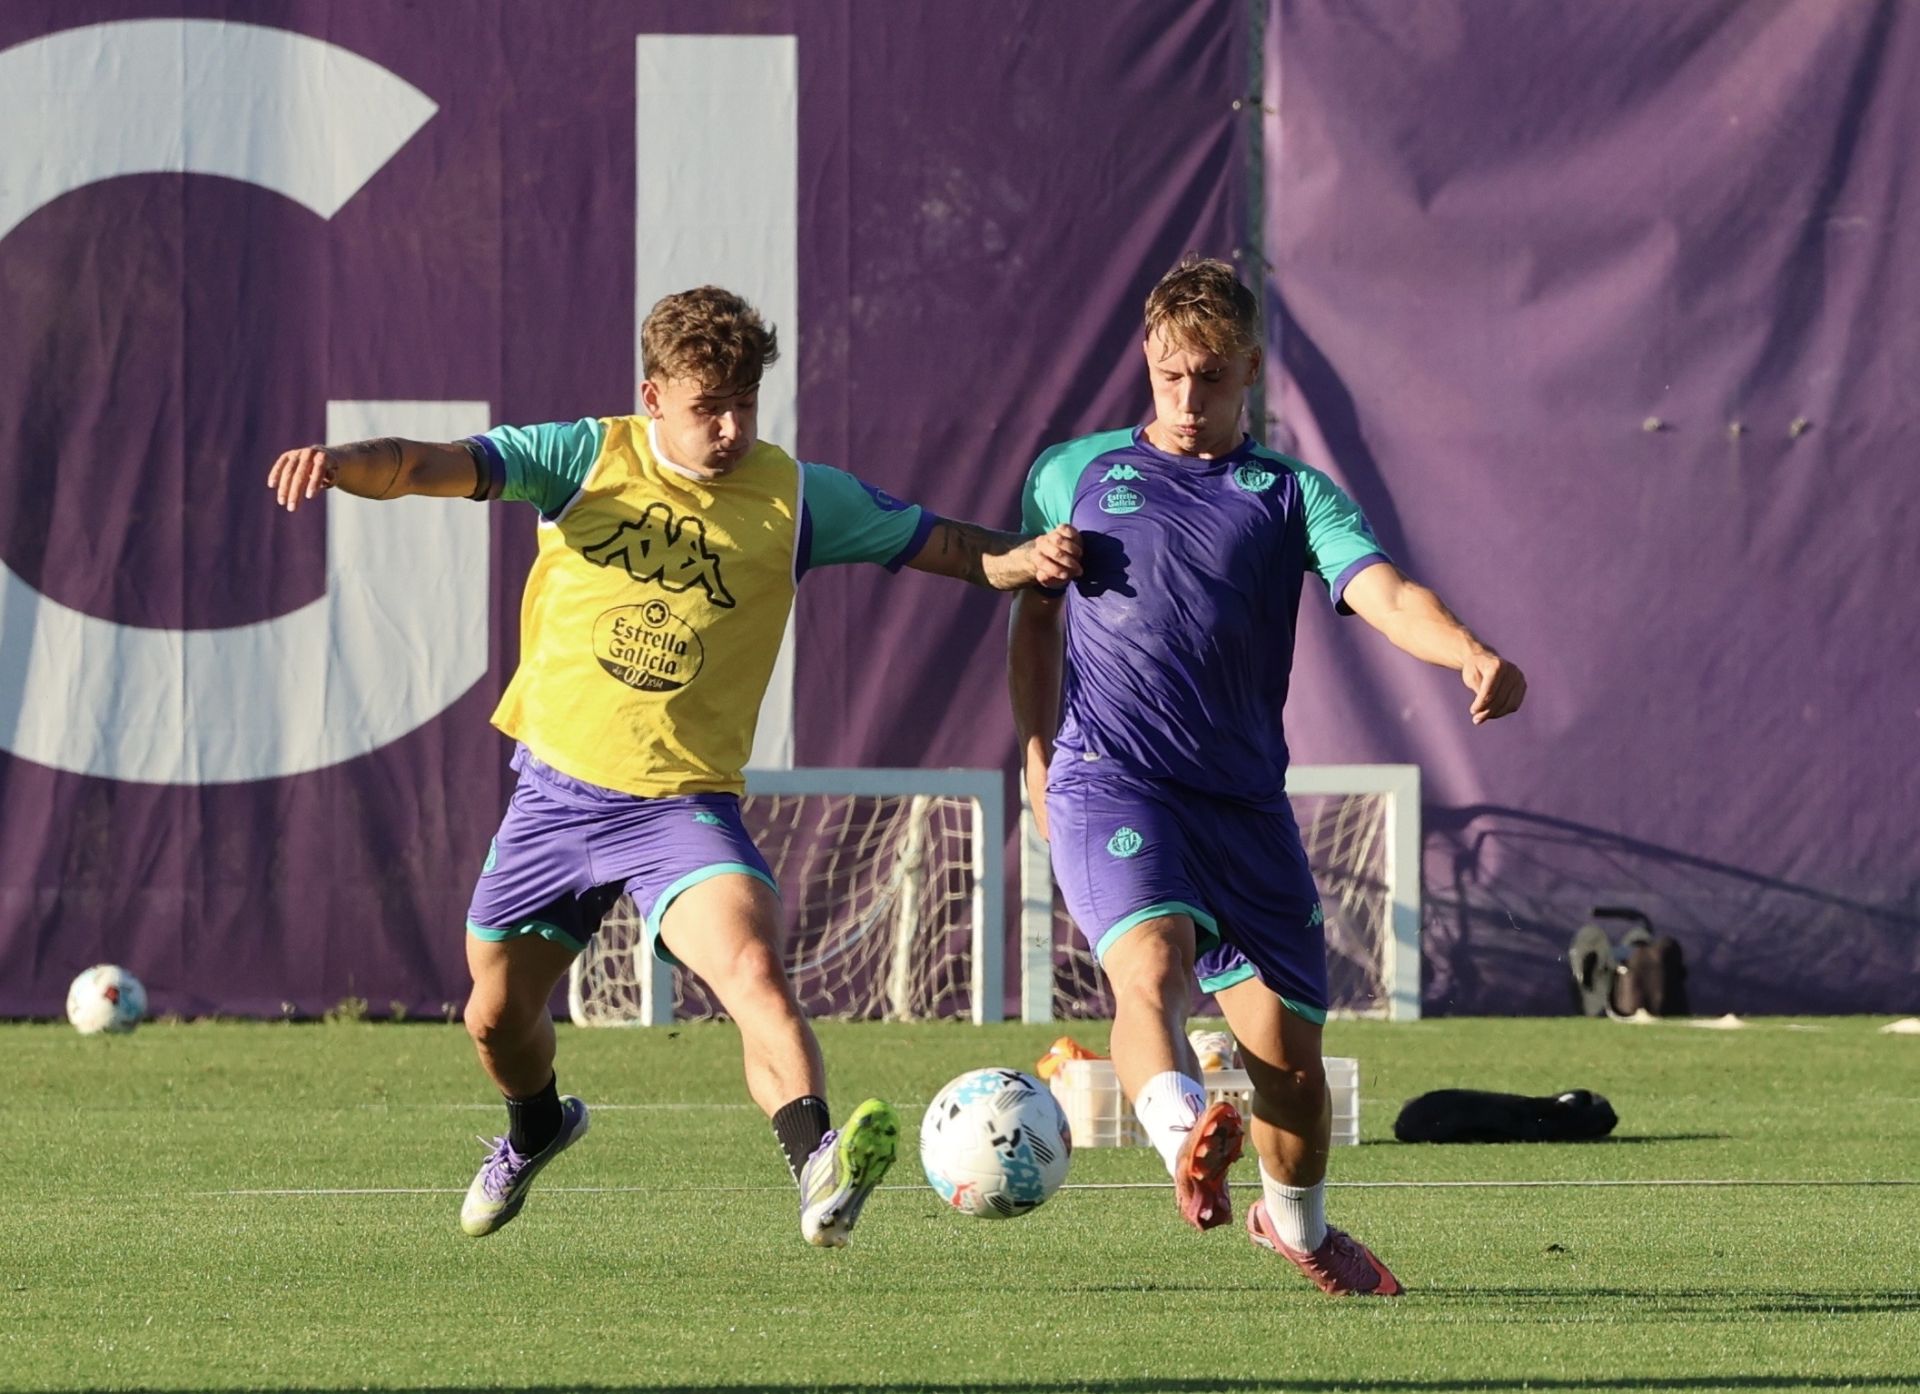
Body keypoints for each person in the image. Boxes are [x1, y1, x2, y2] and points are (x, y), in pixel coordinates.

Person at [270, 285, 1081, 1248]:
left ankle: (820, 1166)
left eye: (745, 401)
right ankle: (535, 1129)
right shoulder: (584, 457)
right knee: (493, 1017)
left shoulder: (796, 496)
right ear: (653, 396)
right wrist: (339, 465)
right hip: (556, 798)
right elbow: (423, 466)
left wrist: (1028, 557)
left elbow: (943, 544)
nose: (731, 426)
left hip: (680, 810)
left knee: (750, 967)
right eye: (708, 406)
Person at [1008, 256, 1524, 1296]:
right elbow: (1033, 610)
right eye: (1167, 377)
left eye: (1208, 377)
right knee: (1148, 964)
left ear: (1249, 366)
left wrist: (1467, 649)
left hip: (1243, 805)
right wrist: (1034, 749)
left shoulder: (1289, 494)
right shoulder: (1074, 472)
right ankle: (1181, 1137)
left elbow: (1381, 591)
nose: (1186, 399)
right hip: (1114, 777)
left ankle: (1296, 1226)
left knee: (1289, 1063)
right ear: (1146, 364)